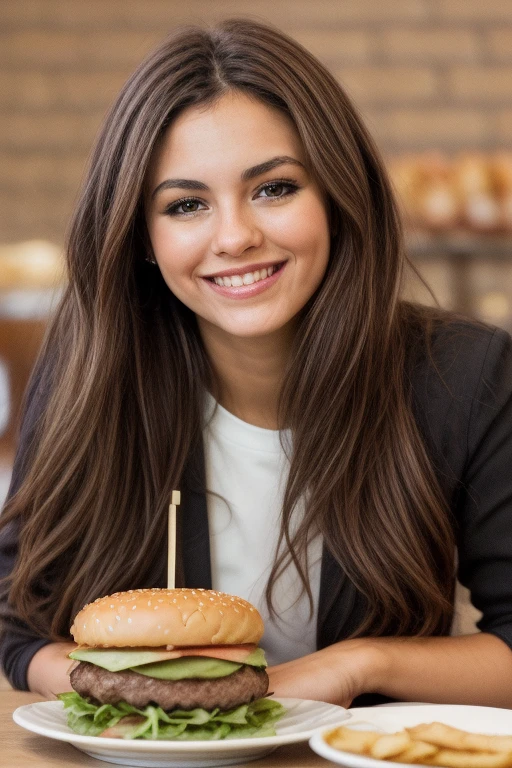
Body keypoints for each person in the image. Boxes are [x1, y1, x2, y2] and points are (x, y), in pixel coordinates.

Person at [1, 17, 512, 709]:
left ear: (336, 193)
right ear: (142, 237)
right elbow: (18, 628)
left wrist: (358, 663)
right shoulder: (90, 373)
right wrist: (148, 692)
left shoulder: (466, 375)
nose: (236, 236)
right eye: (186, 205)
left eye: (273, 188)